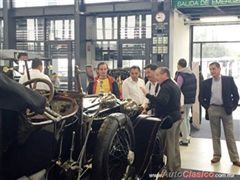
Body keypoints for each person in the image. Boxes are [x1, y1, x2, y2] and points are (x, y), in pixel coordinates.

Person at [199, 62, 240, 167]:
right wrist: (208, 108)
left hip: (226, 110)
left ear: (219, 69)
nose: (212, 71)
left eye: (214, 69)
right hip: (213, 109)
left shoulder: (228, 80)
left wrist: (233, 107)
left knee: (229, 135)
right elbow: (200, 98)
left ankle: (235, 158)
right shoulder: (206, 83)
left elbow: (236, 95)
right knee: (215, 134)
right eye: (210, 69)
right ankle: (216, 155)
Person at [141, 67, 182, 172]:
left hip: (170, 119)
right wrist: (149, 106)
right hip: (174, 118)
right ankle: (175, 168)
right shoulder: (171, 85)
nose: (156, 77)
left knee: (170, 147)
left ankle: (171, 171)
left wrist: (147, 95)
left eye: (158, 75)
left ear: (164, 75)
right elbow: (163, 102)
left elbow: (162, 101)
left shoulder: (166, 87)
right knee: (174, 146)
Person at [174, 58, 197, 146]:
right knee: (186, 118)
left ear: (179, 65)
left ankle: (184, 139)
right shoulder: (192, 74)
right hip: (190, 100)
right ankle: (187, 136)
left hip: (183, 101)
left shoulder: (180, 75)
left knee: (182, 119)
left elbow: (177, 88)